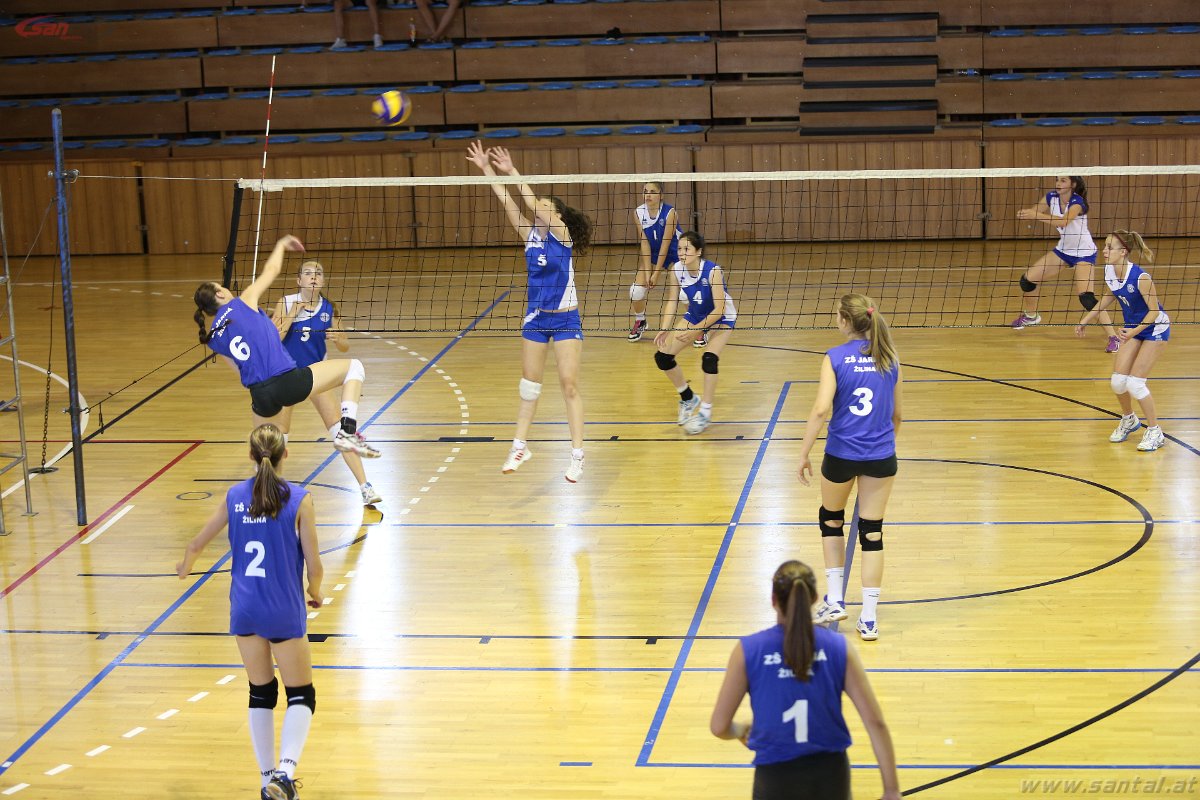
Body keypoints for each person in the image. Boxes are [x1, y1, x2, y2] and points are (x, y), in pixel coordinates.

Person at [176, 424, 323, 800]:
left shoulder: (234, 497)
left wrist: (186, 564)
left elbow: (196, 543)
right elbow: (314, 564)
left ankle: (266, 779)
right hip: (282, 609)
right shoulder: (299, 499)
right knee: (301, 695)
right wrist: (315, 591)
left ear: (250, 456)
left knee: (261, 692)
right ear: (285, 454)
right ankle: (285, 774)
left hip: (244, 609)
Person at [710, 560, 902, 800]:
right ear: (814, 599)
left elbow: (719, 726)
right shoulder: (838, 647)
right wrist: (891, 790)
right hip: (830, 776)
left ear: (773, 600)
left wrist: (740, 729)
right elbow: (875, 722)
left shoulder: (748, 650)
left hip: (775, 779)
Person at [465, 141, 592, 482]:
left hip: (566, 319)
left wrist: (513, 171)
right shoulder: (529, 235)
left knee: (569, 385)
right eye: (539, 207)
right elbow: (506, 199)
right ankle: (520, 445)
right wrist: (487, 169)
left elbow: (531, 202)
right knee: (529, 386)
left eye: (546, 207)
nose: (538, 210)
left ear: (557, 216)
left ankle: (577, 455)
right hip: (536, 319)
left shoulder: (562, 236)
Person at [193, 234, 381, 461]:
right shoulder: (243, 302)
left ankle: (262, 480)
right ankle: (347, 433)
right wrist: (281, 244)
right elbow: (271, 270)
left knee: (264, 450)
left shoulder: (213, 337)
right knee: (355, 367)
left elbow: (239, 369)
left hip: (259, 394)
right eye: (222, 287)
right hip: (287, 380)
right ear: (220, 294)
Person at [796, 294, 902, 641]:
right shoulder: (889, 357)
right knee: (872, 532)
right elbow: (897, 416)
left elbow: (820, 409)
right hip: (880, 456)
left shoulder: (835, 357)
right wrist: (881, 445)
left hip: (841, 454)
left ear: (844, 321)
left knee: (831, 520)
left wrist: (804, 453)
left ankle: (835, 600)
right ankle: (869, 619)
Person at [271, 260, 382, 506]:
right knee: (280, 434)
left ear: (322, 281)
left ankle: (365, 487)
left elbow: (345, 345)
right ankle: (270, 486)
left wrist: (337, 338)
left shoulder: (330, 308)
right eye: (308, 273)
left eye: (318, 273)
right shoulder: (285, 303)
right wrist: (292, 315)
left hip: (316, 376)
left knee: (341, 431)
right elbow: (273, 338)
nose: (313, 276)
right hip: (287, 374)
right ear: (299, 280)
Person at [1075, 229, 1170, 452]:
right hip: (1133, 330)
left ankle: (1155, 431)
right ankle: (1129, 419)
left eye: (1109, 247)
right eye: (1105, 246)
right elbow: (1110, 296)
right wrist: (1085, 320)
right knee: (1118, 382)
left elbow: (1154, 312)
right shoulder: (1110, 270)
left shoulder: (1141, 278)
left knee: (1135, 384)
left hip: (1155, 328)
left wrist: (1134, 331)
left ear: (1123, 252)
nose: (1104, 251)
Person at [1013, 175, 1120, 352]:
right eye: (1057, 180)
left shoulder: (1078, 202)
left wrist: (1036, 215)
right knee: (1027, 281)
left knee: (1086, 298)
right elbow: (1034, 211)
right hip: (1063, 251)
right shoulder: (1051, 197)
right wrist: (1026, 214)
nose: (1058, 183)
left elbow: (1064, 221)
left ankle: (1113, 337)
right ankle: (1031, 316)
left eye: (1063, 180)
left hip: (1084, 253)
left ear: (1073, 184)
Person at [653, 231, 735, 435]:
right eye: (680, 249)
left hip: (721, 317)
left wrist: (695, 332)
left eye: (687, 249)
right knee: (662, 357)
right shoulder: (676, 269)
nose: (682, 253)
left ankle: (705, 413)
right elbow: (672, 301)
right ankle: (688, 397)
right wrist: (664, 328)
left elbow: (719, 310)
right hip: (696, 314)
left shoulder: (713, 271)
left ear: (698, 252)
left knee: (709, 359)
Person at [627, 181, 683, 342]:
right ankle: (640, 320)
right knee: (635, 292)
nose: (648, 195)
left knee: (685, 293)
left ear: (661, 195)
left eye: (653, 191)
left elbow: (666, 244)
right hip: (653, 252)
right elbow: (644, 242)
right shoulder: (638, 212)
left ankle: (700, 327)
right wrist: (647, 273)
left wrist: (656, 274)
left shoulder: (670, 212)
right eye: (646, 191)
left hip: (675, 251)